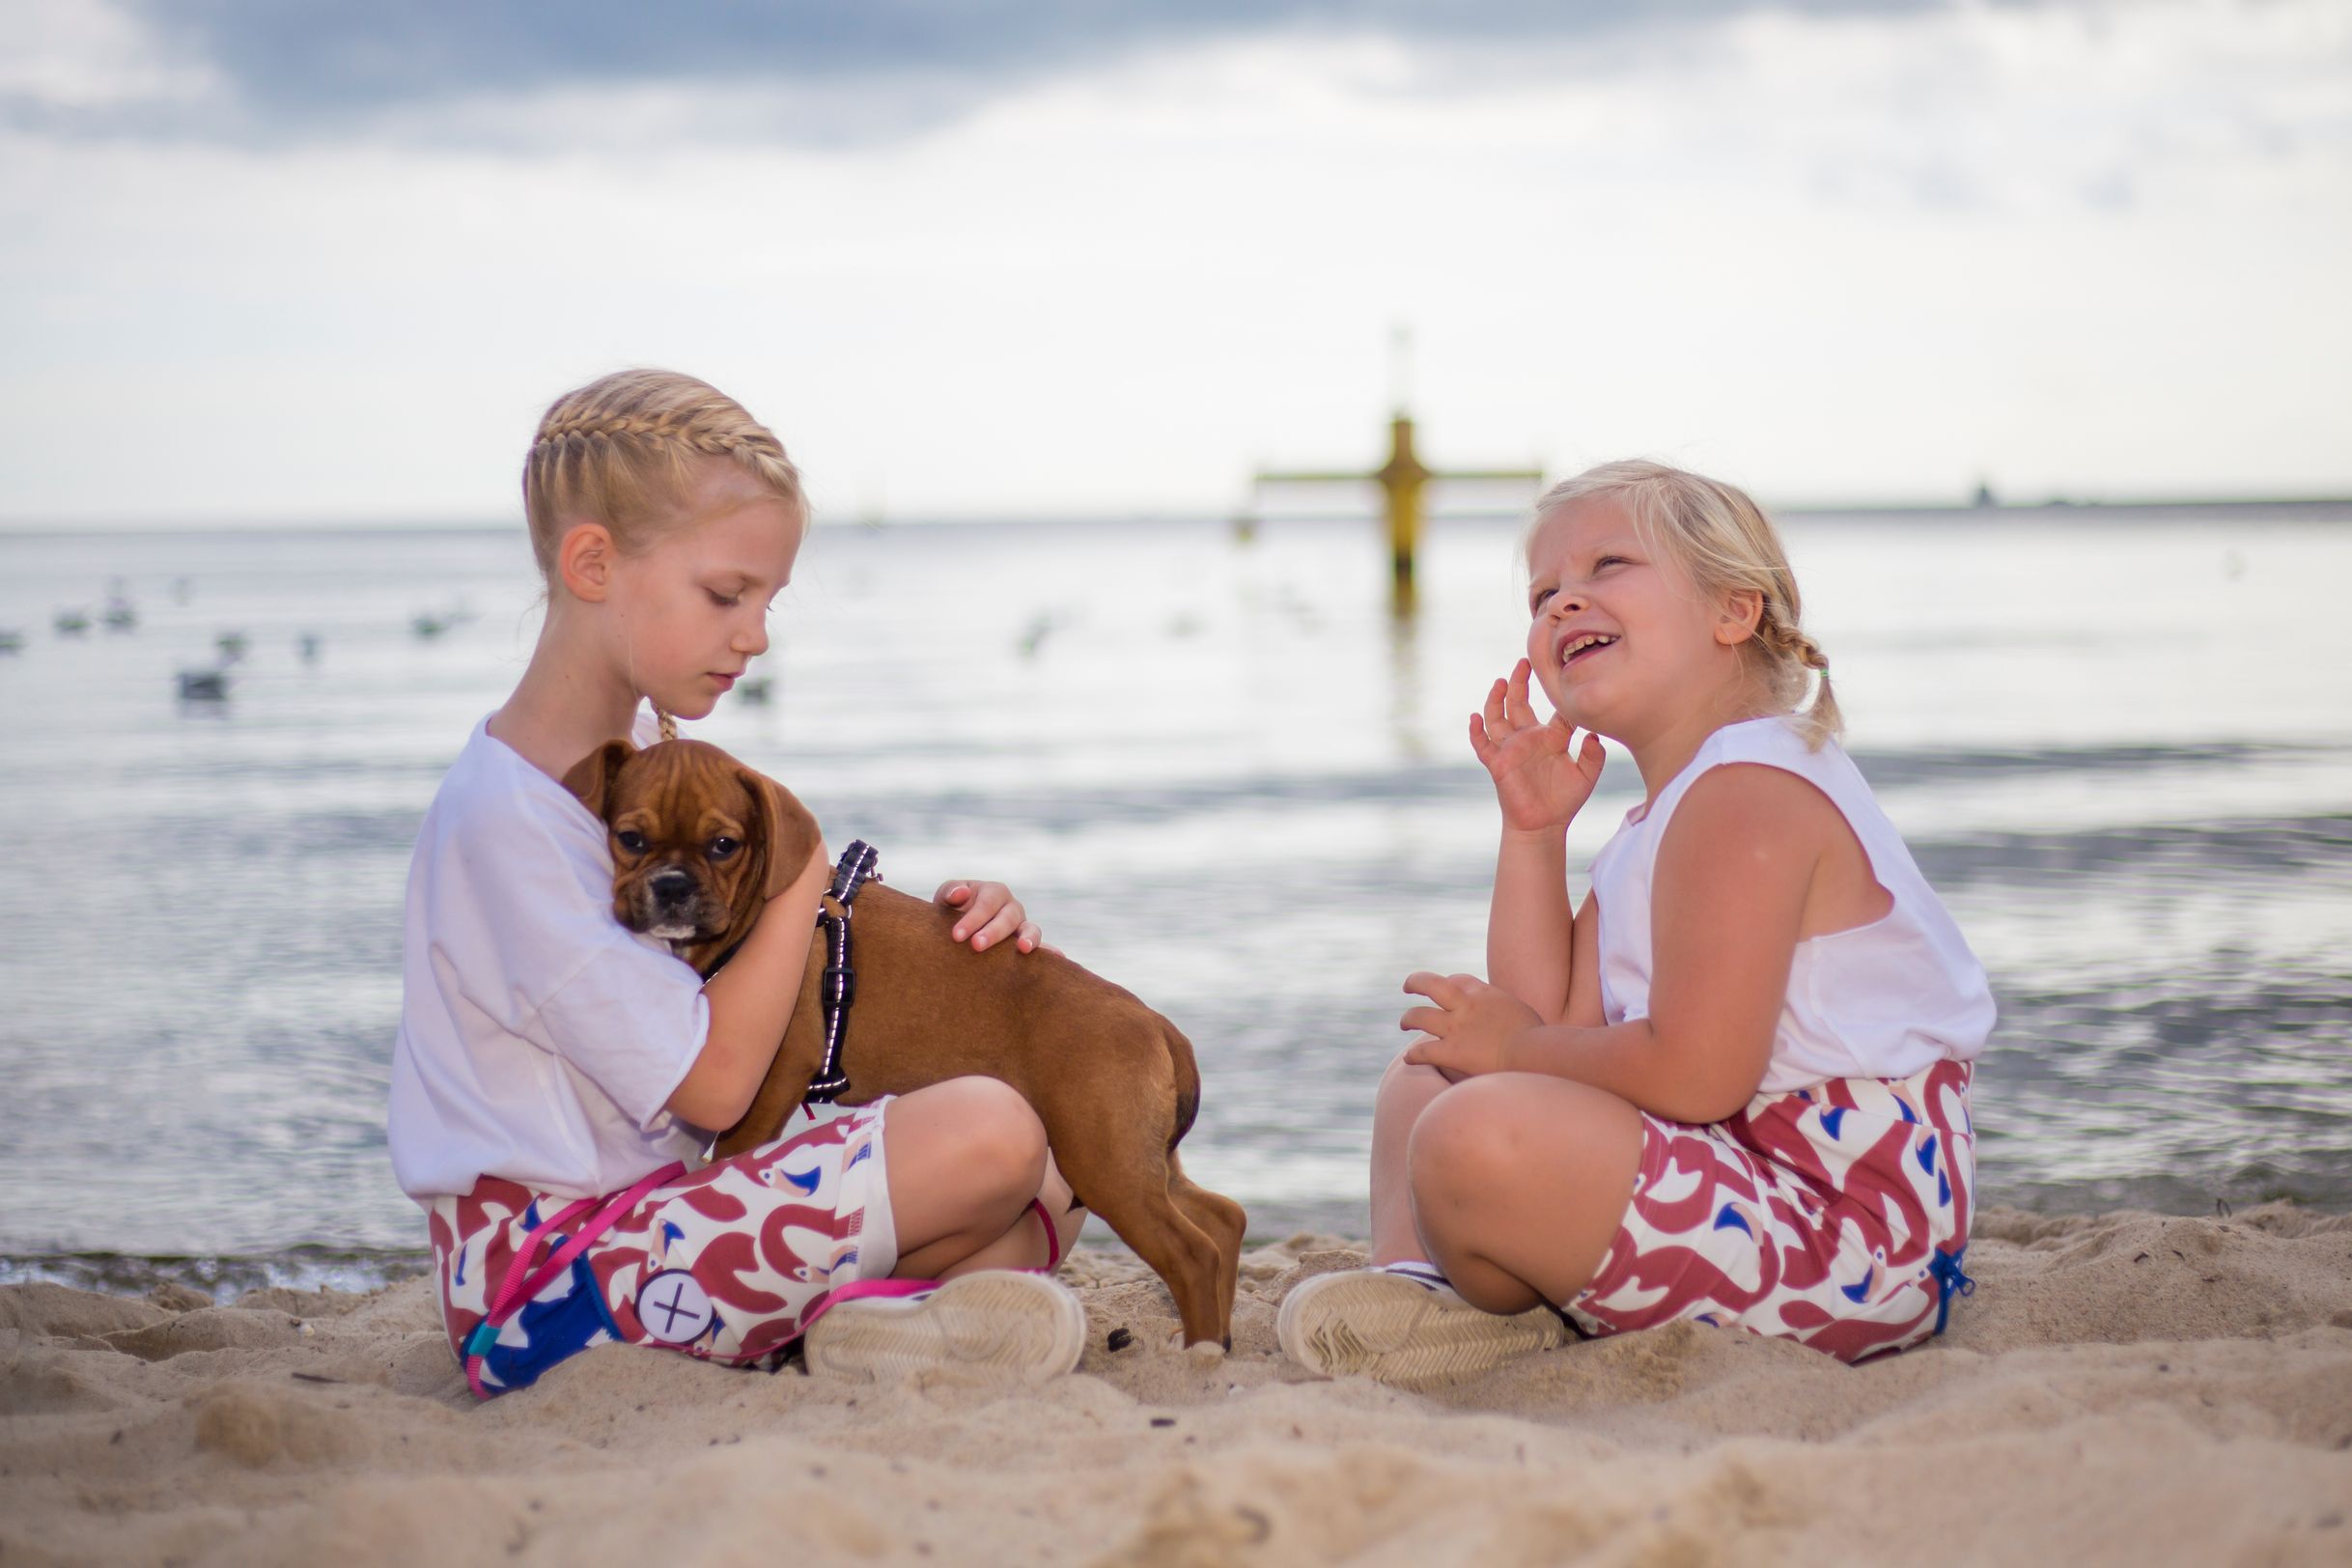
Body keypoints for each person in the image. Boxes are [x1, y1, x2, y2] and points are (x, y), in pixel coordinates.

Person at [388, 369, 1089, 1396]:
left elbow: (766, 991)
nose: (755, 634)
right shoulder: (507, 821)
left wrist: (954, 953)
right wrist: (802, 870)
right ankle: (885, 1309)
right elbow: (716, 1083)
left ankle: (862, 1329)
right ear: (593, 563)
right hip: (544, 1290)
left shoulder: (643, 765)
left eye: (768, 601)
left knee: (1061, 1155)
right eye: (727, 595)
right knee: (994, 1132)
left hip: (668, 1212)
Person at [1277, 460, 1992, 1384]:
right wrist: (1534, 834)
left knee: (1473, 1128)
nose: (1564, 603)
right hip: (1729, 1177)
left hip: (1846, 1245)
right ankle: (1426, 1297)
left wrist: (1517, 1049)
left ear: (1733, 611)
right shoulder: (1662, 821)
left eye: (1607, 565)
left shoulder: (1750, 793)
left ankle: (1513, 1305)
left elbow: (1693, 1073)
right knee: (1429, 1077)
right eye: (1543, 594)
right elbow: (1547, 1019)